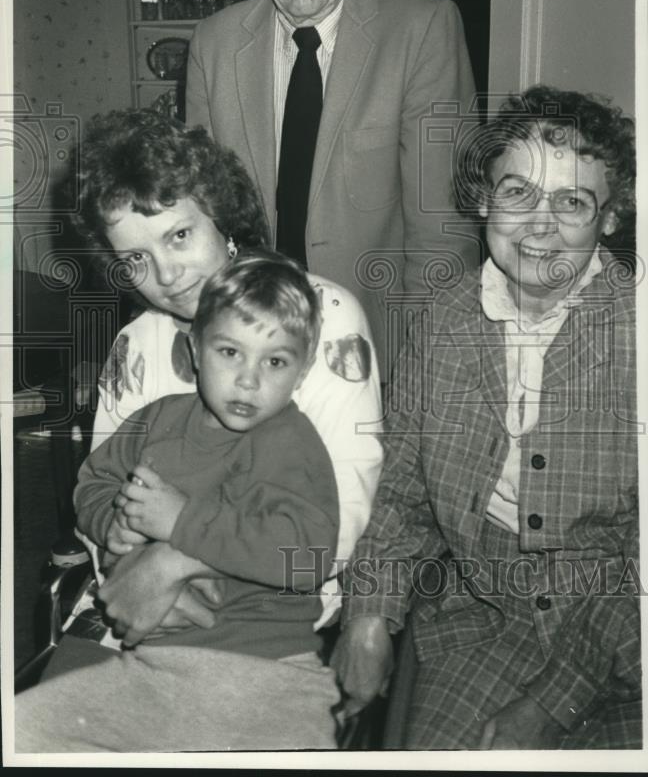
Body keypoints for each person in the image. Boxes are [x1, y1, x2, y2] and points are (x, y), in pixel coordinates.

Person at [332, 85, 640, 750]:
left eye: (572, 202)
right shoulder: (443, 321)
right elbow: (403, 490)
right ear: (482, 200)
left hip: (622, 628)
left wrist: (550, 705)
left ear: (609, 218)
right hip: (485, 612)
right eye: (518, 192)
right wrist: (369, 617)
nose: (539, 224)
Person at [69, 108, 382, 644]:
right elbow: (103, 492)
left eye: (180, 235)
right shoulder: (136, 346)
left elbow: (343, 529)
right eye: (136, 258)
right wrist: (127, 556)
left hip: (274, 607)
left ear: (220, 216)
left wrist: (173, 563)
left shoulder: (322, 318)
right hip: (138, 598)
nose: (167, 275)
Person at [16, 251, 343, 751]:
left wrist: (181, 521)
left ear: (302, 372)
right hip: (152, 668)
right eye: (229, 352)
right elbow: (94, 482)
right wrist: (111, 523)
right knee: (22, 726)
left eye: (275, 361)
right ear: (194, 349)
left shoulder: (291, 444)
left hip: (266, 676)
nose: (249, 379)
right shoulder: (157, 419)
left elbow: (307, 557)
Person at [185, 0, 476, 374]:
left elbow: (442, 234)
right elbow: (203, 221)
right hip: (248, 352)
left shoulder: (422, 29)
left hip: (376, 348)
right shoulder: (212, 44)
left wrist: (423, 376)